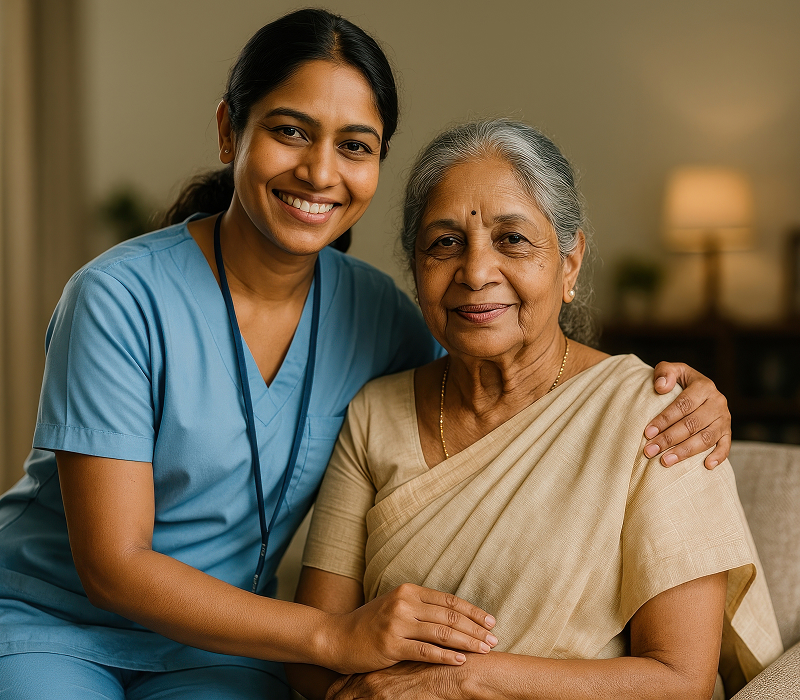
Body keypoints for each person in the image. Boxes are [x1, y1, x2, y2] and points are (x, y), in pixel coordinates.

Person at [0, 10, 731, 700]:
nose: (320, 173)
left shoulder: (378, 314)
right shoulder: (118, 297)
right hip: (55, 623)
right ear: (229, 131)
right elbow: (113, 565)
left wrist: (689, 393)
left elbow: (508, 377)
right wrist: (331, 636)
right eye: (290, 131)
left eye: (354, 145)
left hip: (221, 649)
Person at [289, 120, 784, 700]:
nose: (476, 272)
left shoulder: (659, 417)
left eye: (512, 239)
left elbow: (680, 680)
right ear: (416, 269)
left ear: (569, 263)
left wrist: (464, 681)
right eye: (445, 243)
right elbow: (312, 654)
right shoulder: (375, 413)